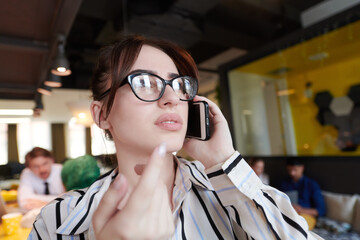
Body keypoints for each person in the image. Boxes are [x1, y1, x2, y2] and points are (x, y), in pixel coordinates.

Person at [29, 35, 322, 239]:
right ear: (102, 114)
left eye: (180, 85)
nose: (172, 97)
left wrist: (223, 161)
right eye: (144, 82)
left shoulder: (228, 192)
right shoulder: (57, 222)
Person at [279, 159, 326, 230]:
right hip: (287, 214)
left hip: (306, 216)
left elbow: (321, 210)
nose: (292, 173)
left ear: (302, 168)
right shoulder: (283, 184)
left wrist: (301, 210)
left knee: (296, 228)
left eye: (295, 170)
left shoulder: (312, 184)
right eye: (289, 170)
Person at [17, 147, 65, 212]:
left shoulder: (62, 170)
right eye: (36, 166)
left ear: (52, 160)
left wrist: (43, 203)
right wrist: (58, 200)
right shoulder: (27, 173)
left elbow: (70, 199)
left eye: (45, 164)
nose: (42, 170)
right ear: (29, 168)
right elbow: (23, 201)